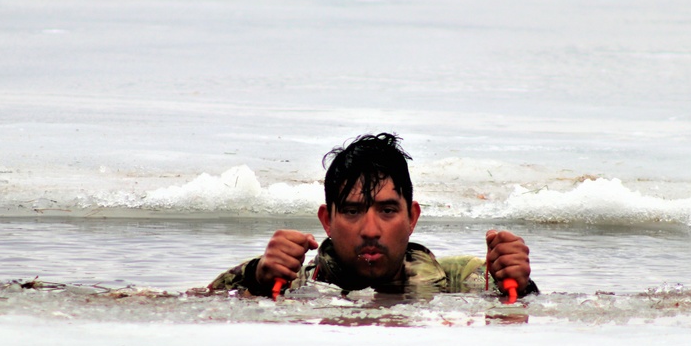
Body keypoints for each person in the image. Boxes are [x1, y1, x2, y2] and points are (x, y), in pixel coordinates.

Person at [207, 133, 538, 298]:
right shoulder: (286, 279)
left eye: (388, 210)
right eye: (352, 211)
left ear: (412, 217)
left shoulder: (466, 281)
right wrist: (254, 276)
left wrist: (521, 286)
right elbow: (197, 303)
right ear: (326, 220)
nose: (370, 229)